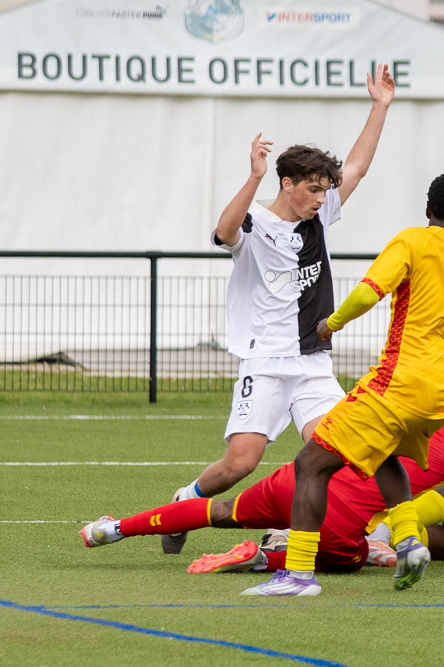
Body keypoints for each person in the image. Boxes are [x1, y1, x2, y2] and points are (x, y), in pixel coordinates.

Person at [161, 64, 396, 555]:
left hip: (312, 363)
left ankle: (358, 534)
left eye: (325, 190)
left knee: (346, 453)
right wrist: (253, 177)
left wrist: (380, 107)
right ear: (288, 183)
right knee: (239, 464)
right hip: (266, 361)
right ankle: (186, 501)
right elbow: (224, 233)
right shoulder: (255, 224)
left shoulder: (322, 214)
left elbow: (356, 168)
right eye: (313, 188)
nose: (322, 198)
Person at [242, 171, 444, 596]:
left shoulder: (413, 240)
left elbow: (370, 292)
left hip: (397, 385)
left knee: (311, 464)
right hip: (442, 404)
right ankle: (407, 540)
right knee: (382, 453)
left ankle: (297, 575)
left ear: (428, 209)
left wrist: (330, 324)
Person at [79, 380, 444, 578]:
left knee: (218, 511)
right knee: (347, 561)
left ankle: (113, 528)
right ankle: (263, 557)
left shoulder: (385, 405)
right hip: (339, 521)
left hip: (297, 480)